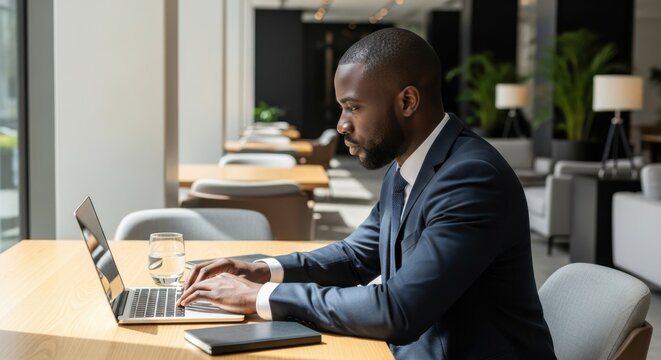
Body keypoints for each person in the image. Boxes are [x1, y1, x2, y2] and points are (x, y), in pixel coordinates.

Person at [177, 28, 556, 359]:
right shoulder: (405, 165)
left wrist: (259, 299)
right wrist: (260, 271)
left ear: (407, 101)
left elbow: (399, 310)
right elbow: (357, 256)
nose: (342, 124)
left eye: (353, 107)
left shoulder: (472, 180)